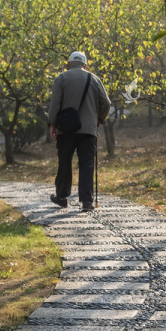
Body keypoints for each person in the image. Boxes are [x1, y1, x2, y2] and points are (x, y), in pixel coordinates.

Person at [47, 51, 110, 211]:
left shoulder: (61, 78)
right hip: (88, 130)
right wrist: (99, 119)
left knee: (65, 163)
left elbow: (55, 104)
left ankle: (61, 197)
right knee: (87, 164)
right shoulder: (94, 79)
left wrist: (52, 124)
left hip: (66, 129)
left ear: (69, 64)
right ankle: (87, 202)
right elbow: (106, 103)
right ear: (85, 65)